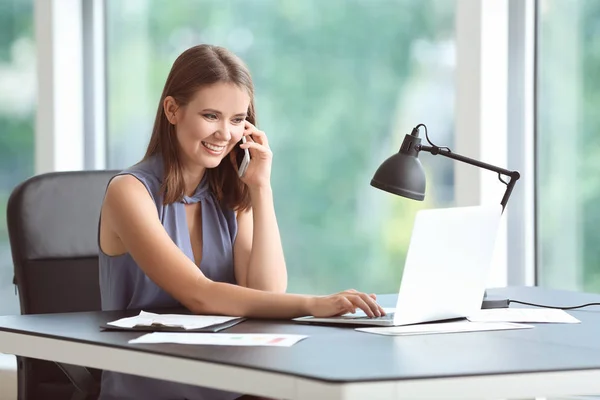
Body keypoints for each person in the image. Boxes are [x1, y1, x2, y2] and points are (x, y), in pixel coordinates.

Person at [97, 44, 384, 400]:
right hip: (151, 383)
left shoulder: (230, 193)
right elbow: (199, 295)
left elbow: (265, 292)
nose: (225, 134)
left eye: (237, 120)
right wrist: (312, 303)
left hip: (229, 379)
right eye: (211, 116)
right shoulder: (129, 192)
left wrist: (260, 188)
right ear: (172, 110)